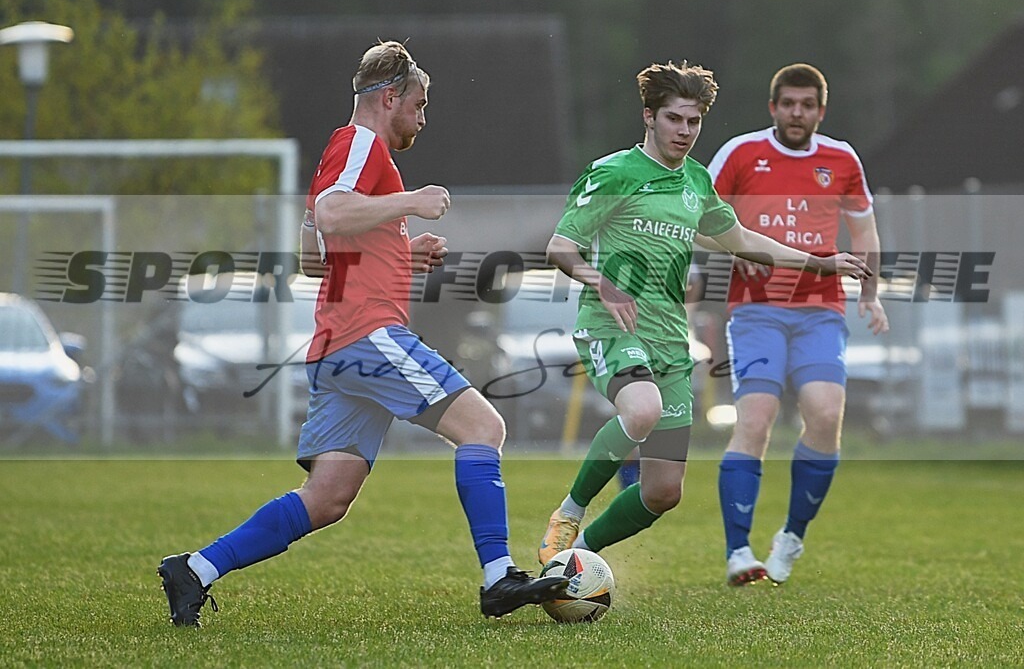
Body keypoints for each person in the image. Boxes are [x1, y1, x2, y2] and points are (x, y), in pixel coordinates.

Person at [158, 41, 567, 627]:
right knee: (484, 425)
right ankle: (499, 577)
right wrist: (413, 202)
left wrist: (400, 250)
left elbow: (312, 255)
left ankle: (193, 570)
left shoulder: (339, 152)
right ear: (389, 97)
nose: (423, 119)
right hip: (364, 335)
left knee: (327, 499)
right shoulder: (362, 144)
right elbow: (332, 216)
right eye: (419, 105)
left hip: (336, 347)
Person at [537, 60, 872, 569]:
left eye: (694, 122)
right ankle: (568, 514)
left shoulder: (696, 181)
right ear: (649, 117)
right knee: (642, 410)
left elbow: (740, 240)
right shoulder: (614, 172)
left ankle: (578, 559)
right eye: (674, 119)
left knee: (663, 493)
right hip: (612, 324)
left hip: (671, 341)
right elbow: (560, 247)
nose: (685, 132)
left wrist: (819, 263)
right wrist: (600, 282)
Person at [706, 63, 889, 586]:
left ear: (820, 111)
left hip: (820, 310)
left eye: (806, 105)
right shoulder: (740, 154)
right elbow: (700, 218)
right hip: (756, 309)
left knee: (826, 415)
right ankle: (738, 551)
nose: (796, 113)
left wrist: (871, 295)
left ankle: (791, 535)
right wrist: (733, 246)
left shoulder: (842, 158)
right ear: (773, 107)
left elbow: (865, 233)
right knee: (756, 420)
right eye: (788, 103)